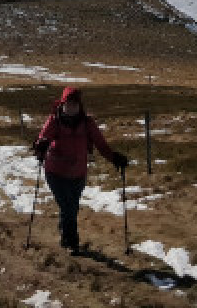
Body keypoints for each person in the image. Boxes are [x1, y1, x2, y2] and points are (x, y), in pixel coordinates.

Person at [32, 87, 129, 253]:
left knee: (72, 207)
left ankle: (65, 235)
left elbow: (101, 145)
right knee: (68, 207)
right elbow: (43, 138)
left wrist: (114, 158)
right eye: (69, 104)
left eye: (75, 104)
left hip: (78, 174)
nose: (72, 107)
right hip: (55, 172)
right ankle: (72, 242)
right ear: (62, 104)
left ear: (79, 105)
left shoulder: (87, 123)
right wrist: (40, 147)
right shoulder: (54, 120)